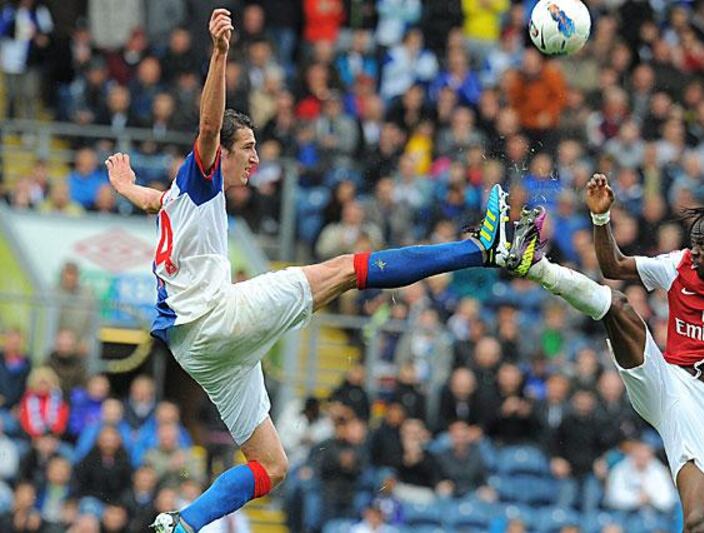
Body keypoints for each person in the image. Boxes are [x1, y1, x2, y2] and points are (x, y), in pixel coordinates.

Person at [105, 9, 510, 533]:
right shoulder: (201, 174)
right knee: (345, 268)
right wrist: (221, 54)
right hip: (214, 319)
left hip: (197, 351)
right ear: (221, 153)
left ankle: (183, 523)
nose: (255, 159)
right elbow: (208, 125)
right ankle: (480, 247)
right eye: (247, 149)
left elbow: (154, 201)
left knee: (272, 467)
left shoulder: (184, 199)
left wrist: (124, 188)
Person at [502, 174, 704, 532]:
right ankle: (535, 265)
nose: (696, 251)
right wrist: (601, 218)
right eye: (694, 243)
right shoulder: (680, 265)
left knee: (699, 522)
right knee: (617, 305)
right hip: (664, 379)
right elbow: (614, 266)